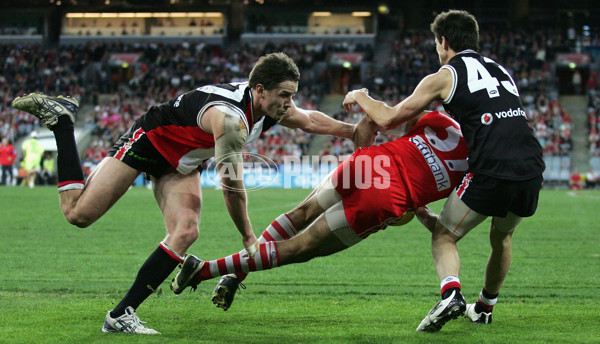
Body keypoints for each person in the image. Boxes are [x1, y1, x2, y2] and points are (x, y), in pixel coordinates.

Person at [11, 52, 357, 335]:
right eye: (284, 95)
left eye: (292, 95)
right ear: (260, 90)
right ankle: (62, 124)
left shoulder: (267, 107)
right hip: (151, 140)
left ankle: (121, 315)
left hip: (183, 161)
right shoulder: (231, 121)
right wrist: (249, 237)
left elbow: (309, 120)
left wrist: (352, 131)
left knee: (187, 231)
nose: (289, 103)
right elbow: (232, 186)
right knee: (78, 215)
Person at [341, 10, 545, 332]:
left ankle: (451, 294)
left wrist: (361, 96)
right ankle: (485, 308)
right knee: (503, 237)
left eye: (436, 44)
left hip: (491, 168)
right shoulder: (501, 70)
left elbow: (387, 118)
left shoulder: (445, 75)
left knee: (445, 235)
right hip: (531, 167)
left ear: (443, 41)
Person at [170, 111, 469, 313]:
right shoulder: (476, 166)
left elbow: (394, 116)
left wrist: (367, 108)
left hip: (372, 163)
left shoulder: (443, 121)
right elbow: (445, 228)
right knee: (301, 247)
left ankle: (235, 275)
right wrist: (419, 205)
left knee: (301, 212)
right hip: (386, 198)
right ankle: (205, 269)